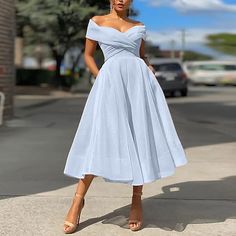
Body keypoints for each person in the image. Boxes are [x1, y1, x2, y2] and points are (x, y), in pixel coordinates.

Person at [63, 0, 187, 234]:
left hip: (138, 87)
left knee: (139, 137)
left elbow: (140, 55)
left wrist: (147, 65)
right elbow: (89, 55)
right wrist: (101, 77)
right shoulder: (96, 23)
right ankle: (77, 200)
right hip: (109, 84)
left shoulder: (139, 26)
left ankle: (136, 200)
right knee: (97, 140)